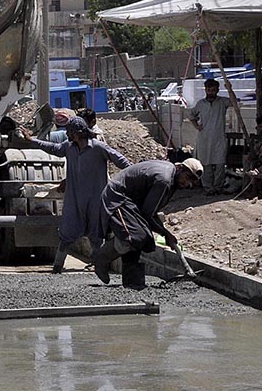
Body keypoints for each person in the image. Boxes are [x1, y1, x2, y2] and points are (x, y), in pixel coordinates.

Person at [21, 116, 132, 274]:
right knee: (66, 234)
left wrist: (133, 176)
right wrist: (32, 141)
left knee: (96, 236)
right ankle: (57, 267)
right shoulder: (69, 147)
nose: (67, 134)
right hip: (75, 201)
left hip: (96, 201)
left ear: (78, 133)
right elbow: (53, 148)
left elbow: (121, 161)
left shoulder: (99, 148)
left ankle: (100, 268)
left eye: (69, 131)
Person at [92, 158, 203, 290]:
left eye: (192, 181)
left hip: (132, 202)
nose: (188, 183)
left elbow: (151, 210)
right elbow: (147, 214)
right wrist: (165, 234)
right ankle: (101, 257)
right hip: (118, 198)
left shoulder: (172, 179)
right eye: (187, 177)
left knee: (145, 240)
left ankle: (132, 282)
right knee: (136, 236)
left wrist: (165, 233)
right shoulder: (164, 180)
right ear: (180, 169)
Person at [188, 78, 230, 195]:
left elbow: (234, 101)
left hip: (219, 137)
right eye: (208, 90)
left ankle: (218, 187)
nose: (210, 92)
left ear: (217, 90)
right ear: (205, 90)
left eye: (213, 90)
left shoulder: (222, 102)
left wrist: (229, 89)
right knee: (206, 163)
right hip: (204, 138)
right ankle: (208, 188)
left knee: (220, 163)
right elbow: (191, 115)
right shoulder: (201, 104)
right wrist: (197, 126)